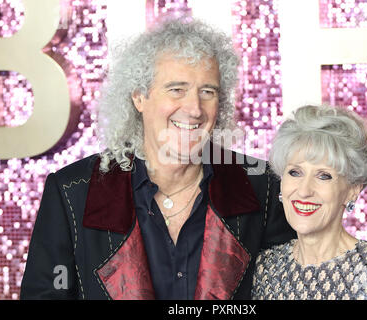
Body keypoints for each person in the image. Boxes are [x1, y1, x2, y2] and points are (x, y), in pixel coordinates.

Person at [20, 17, 295, 300]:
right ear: (139, 97)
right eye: (177, 89)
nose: (194, 108)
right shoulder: (72, 191)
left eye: (207, 92)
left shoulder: (262, 186)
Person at [251, 104, 367, 300]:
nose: (303, 191)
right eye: (295, 172)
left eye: (324, 176)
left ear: (353, 190)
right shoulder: (266, 268)